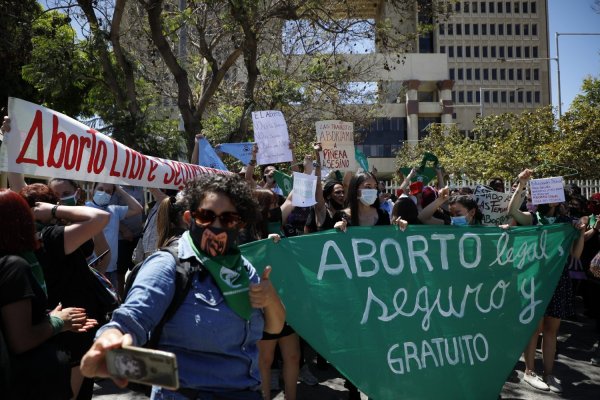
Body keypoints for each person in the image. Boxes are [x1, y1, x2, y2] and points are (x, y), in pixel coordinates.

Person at [80, 174, 285, 399]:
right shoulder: (169, 264)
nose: (216, 226)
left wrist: (271, 298)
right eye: (207, 216)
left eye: (228, 219)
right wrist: (110, 340)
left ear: (240, 223)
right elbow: (132, 317)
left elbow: (272, 330)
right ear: (190, 218)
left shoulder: (242, 267)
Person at [0, 189, 97, 399]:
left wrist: (44, 316)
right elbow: (20, 340)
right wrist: (58, 322)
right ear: (22, 221)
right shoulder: (13, 266)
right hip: (25, 382)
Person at [18, 183, 112, 399]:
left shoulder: (38, 236)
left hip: (63, 323)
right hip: (73, 326)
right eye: (57, 199)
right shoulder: (52, 236)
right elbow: (100, 218)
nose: (62, 201)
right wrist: (54, 211)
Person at [508, 168, 587, 393]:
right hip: (535, 279)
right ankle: (529, 371)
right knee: (534, 328)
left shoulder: (566, 222)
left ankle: (549, 373)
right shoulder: (533, 219)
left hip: (558, 280)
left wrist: (580, 233)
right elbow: (513, 210)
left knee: (552, 330)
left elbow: (575, 255)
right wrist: (522, 184)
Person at [86, 183, 143, 288]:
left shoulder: (114, 210)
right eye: (100, 189)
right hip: (92, 268)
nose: (104, 193)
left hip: (112, 269)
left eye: (108, 191)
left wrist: (119, 190)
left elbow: (138, 208)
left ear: (112, 195)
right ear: (92, 190)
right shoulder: (85, 208)